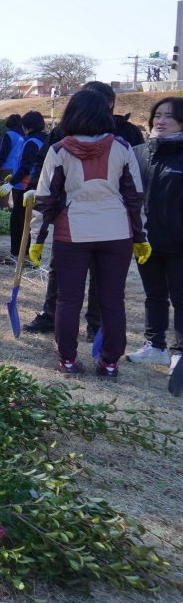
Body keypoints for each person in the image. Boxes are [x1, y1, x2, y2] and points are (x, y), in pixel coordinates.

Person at [28, 90, 147, 379]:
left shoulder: (59, 150)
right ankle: (109, 363)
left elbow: (45, 199)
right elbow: (135, 196)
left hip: (73, 232)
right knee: (112, 299)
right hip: (116, 231)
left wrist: (37, 239)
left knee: (68, 299)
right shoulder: (122, 146)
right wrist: (140, 236)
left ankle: (67, 359)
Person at [126, 96, 183, 395]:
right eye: (157, 115)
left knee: (181, 297)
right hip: (145, 239)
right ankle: (155, 345)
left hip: (178, 243)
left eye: (169, 117)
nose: (160, 121)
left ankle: (180, 353)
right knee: (154, 296)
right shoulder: (138, 153)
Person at [0, 111, 46, 259]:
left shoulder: (32, 143)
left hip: (29, 188)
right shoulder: (44, 139)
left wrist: (11, 183)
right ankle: (30, 254)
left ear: (28, 126)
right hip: (39, 185)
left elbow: (27, 166)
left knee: (19, 222)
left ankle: (19, 254)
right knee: (32, 222)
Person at [0, 114, 25, 210]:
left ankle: (1, 211)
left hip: (6, 167)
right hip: (18, 167)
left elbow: (4, 152)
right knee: (16, 192)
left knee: (3, 191)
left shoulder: (9, 134)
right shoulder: (24, 135)